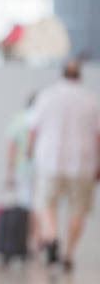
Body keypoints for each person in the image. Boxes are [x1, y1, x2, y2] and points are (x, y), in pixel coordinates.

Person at [28, 61, 100, 270]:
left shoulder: (46, 96)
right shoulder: (91, 100)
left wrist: (29, 153)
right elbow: (98, 135)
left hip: (49, 160)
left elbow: (33, 129)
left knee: (45, 203)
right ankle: (68, 254)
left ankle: (51, 237)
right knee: (78, 208)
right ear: (80, 76)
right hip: (83, 162)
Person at [5, 93, 40, 253]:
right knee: (39, 206)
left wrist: (10, 172)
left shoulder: (19, 119)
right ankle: (35, 240)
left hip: (23, 169)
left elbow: (12, 146)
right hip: (41, 170)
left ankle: (28, 240)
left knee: (26, 206)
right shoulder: (43, 120)